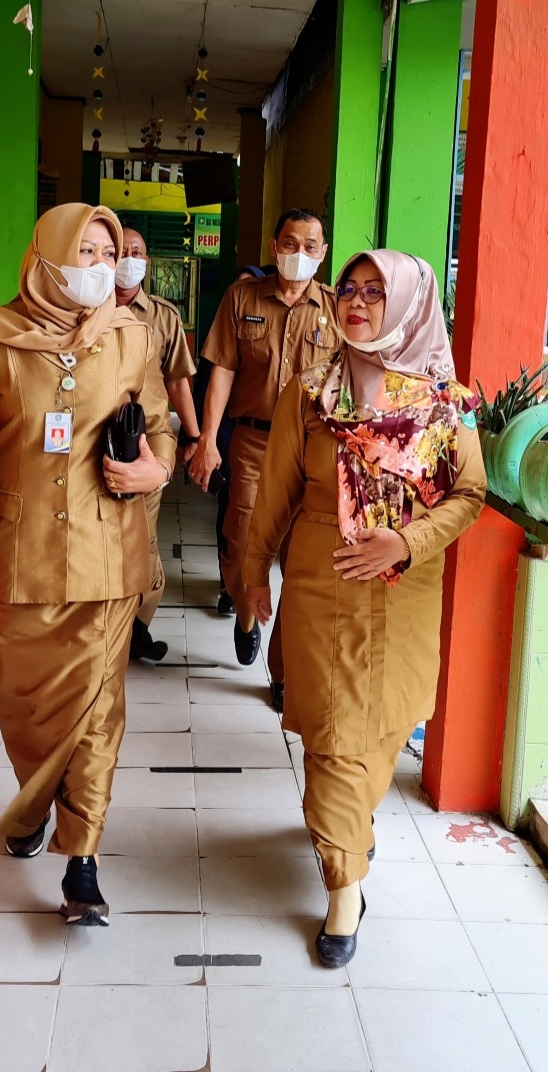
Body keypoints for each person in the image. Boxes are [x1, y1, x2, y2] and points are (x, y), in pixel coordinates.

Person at [0, 203, 175, 927]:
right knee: (25, 706)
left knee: (97, 711)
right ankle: (34, 802)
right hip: (15, 557)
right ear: (46, 257)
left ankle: (82, 859)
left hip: (107, 554)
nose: (98, 266)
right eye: (84, 251)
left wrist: (154, 471)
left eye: (105, 253)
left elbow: (158, 423)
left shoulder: (131, 337)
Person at [244, 250, 486, 967]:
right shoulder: (309, 392)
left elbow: (470, 496)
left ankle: (349, 825)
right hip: (322, 586)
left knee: (380, 728)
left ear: (410, 305)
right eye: (348, 290)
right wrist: (253, 573)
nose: (355, 303)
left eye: (376, 293)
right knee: (331, 735)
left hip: (403, 590)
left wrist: (406, 542)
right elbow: (279, 492)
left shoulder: (443, 402)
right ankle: (345, 882)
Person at [189, 211, 339, 713]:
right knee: (240, 542)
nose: (300, 253)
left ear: (323, 252)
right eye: (291, 243)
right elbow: (223, 372)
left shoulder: (337, 310)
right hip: (252, 443)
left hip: (312, 448)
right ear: (274, 245)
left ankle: (282, 673)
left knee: (300, 561)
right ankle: (246, 612)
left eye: (311, 245)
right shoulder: (242, 298)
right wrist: (207, 439)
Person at [114, 226, 201, 662]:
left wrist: (195, 437)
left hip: (147, 448)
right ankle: (109, 626)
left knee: (143, 542)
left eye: (137, 252)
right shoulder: (83, 307)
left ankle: (136, 627)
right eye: (121, 251)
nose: (129, 259)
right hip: (93, 445)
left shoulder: (164, 315)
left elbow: (178, 381)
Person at [191, 264, 272, 618]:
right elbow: (211, 379)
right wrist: (201, 439)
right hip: (242, 434)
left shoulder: (326, 309)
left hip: (299, 443)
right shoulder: (235, 308)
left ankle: (282, 661)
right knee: (237, 530)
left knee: (297, 545)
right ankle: (242, 610)